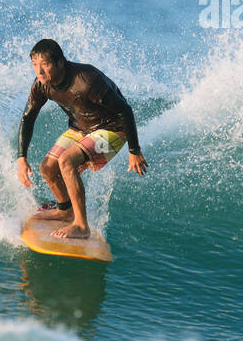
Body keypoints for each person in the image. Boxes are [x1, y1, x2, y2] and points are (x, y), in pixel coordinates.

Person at [16, 39, 147, 239]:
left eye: (45, 64)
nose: (39, 72)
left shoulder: (87, 82)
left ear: (61, 62)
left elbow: (125, 111)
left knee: (66, 161)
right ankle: (65, 210)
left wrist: (134, 151)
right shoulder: (41, 85)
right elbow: (28, 117)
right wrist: (21, 158)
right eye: (35, 65)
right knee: (47, 167)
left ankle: (81, 225)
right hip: (80, 128)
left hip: (112, 128)